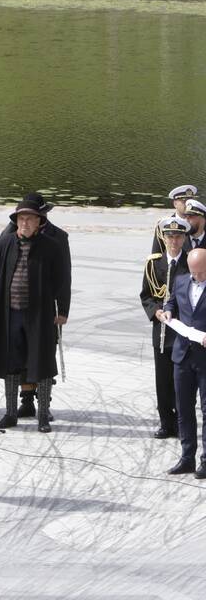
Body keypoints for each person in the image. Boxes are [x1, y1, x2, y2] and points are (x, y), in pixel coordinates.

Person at [0, 196, 69, 432]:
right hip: (10, 313)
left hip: (40, 315)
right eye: (21, 219)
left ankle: (43, 415)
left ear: (39, 221)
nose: (24, 223)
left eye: (29, 219)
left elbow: (63, 280)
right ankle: (11, 413)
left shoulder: (51, 246)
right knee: (11, 363)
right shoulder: (5, 243)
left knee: (42, 362)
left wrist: (62, 310)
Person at [141, 217, 190, 440]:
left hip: (183, 330)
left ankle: (182, 423)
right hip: (160, 332)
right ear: (164, 237)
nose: (174, 241)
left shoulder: (191, 262)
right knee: (163, 380)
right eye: (170, 236)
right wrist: (155, 312)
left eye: (178, 236)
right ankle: (165, 423)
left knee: (182, 381)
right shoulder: (154, 263)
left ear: (184, 238)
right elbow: (146, 296)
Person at [161, 248, 206, 477]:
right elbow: (171, 302)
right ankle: (187, 458)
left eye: (201, 273)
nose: (196, 277)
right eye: (193, 272)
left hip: (205, 358)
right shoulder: (181, 281)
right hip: (182, 356)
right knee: (184, 410)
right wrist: (167, 312)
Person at [151, 185, 197, 253]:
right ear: (175, 204)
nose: (188, 205)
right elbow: (157, 254)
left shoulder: (200, 224)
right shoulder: (164, 225)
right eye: (184, 202)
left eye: (190, 202)